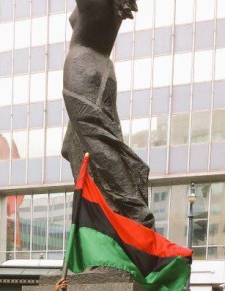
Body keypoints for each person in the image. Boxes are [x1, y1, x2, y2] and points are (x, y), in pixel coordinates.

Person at [62, 0, 154, 228]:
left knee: (99, 143)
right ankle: (102, 224)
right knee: (73, 148)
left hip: (82, 66)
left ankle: (137, 216)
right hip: (98, 68)